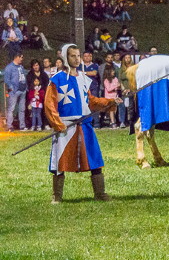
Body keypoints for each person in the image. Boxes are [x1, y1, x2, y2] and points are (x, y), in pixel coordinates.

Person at [44, 44, 120, 203]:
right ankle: (56, 196)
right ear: (66, 57)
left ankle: (100, 193)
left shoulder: (84, 79)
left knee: (94, 159)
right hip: (65, 127)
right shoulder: (56, 80)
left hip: (85, 124)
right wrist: (58, 124)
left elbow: (91, 101)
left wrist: (110, 101)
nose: (77, 59)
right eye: (73, 56)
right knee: (59, 162)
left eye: (78, 55)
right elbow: (50, 105)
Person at [3, 52, 28, 131]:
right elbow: (6, 79)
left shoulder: (21, 66)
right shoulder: (9, 67)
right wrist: (12, 88)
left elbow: (23, 76)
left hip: (23, 90)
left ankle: (22, 126)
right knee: (11, 108)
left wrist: (26, 87)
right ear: (17, 57)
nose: (22, 59)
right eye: (21, 57)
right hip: (15, 91)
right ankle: (9, 126)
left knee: (22, 109)